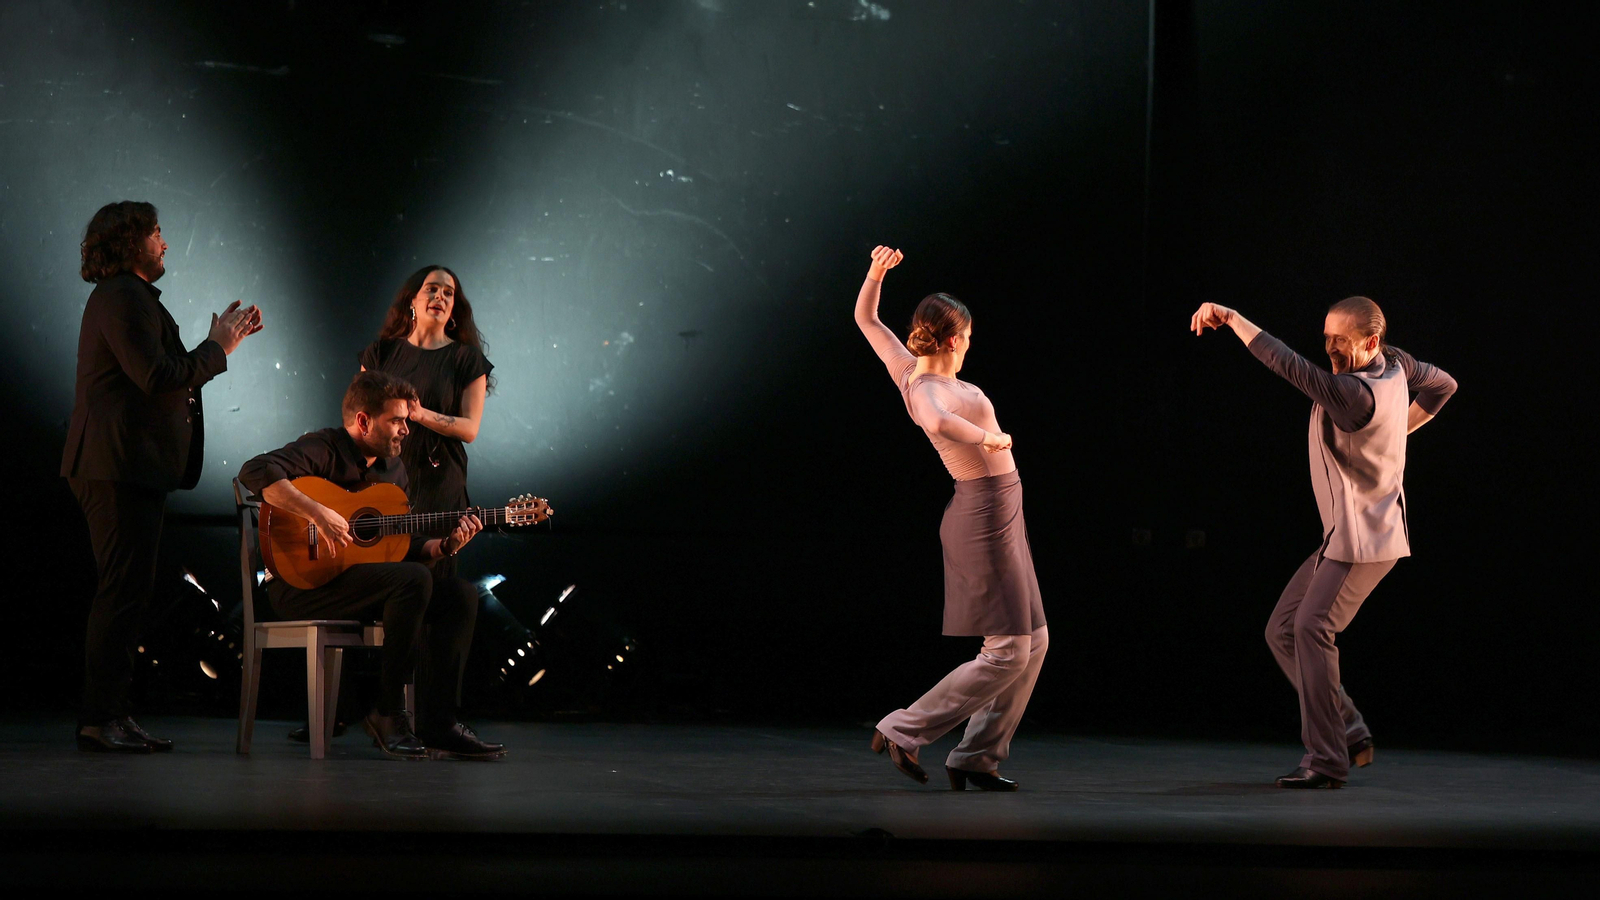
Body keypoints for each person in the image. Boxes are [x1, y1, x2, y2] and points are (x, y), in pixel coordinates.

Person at [1190, 297, 1457, 788]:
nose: (1330, 348)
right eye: (1326, 337)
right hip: (1346, 537)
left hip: (1363, 543)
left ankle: (1327, 761)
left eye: (1341, 340)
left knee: (1312, 629)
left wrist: (1231, 318)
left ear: (1370, 342)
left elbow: (1286, 364)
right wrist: (1402, 427)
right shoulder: (1396, 364)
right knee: (1284, 630)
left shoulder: (1352, 395)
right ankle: (1349, 728)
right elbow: (1444, 385)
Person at [63, 200, 262, 753]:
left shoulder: (130, 299)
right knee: (122, 592)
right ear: (130, 243)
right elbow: (157, 375)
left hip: (127, 466)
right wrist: (218, 348)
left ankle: (109, 715)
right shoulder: (121, 297)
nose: (165, 242)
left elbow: (164, 374)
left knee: (128, 592)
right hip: (116, 467)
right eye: (156, 233)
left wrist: (216, 344)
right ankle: (102, 717)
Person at [854, 245, 1049, 792]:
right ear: (952, 338)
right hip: (981, 515)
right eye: (967, 338)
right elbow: (940, 423)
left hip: (1004, 510)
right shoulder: (921, 385)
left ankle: (977, 756)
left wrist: (875, 273)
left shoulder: (912, 369)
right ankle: (903, 728)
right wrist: (990, 435)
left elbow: (866, 318)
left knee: (1034, 641)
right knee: (1008, 649)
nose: (969, 346)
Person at [237, 370, 505, 761]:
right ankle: (388, 712)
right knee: (412, 581)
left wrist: (446, 545)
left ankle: (439, 723)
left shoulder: (393, 472)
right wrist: (317, 513)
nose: (405, 430)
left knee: (460, 594)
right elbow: (254, 471)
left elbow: (402, 546)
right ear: (363, 421)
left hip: (357, 585)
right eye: (396, 420)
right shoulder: (323, 447)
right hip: (300, 588)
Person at [358, 264, 494, 569]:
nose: (440, 297)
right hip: (383, 480)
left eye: (449, 293)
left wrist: (420, 414)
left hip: (439, 482)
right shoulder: (380, 353)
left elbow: (470, 429)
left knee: (434, 578)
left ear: (454, 308)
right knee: (386, 573)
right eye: (432, 288)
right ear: (412, 301)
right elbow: (359, 418)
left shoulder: (466, 358)